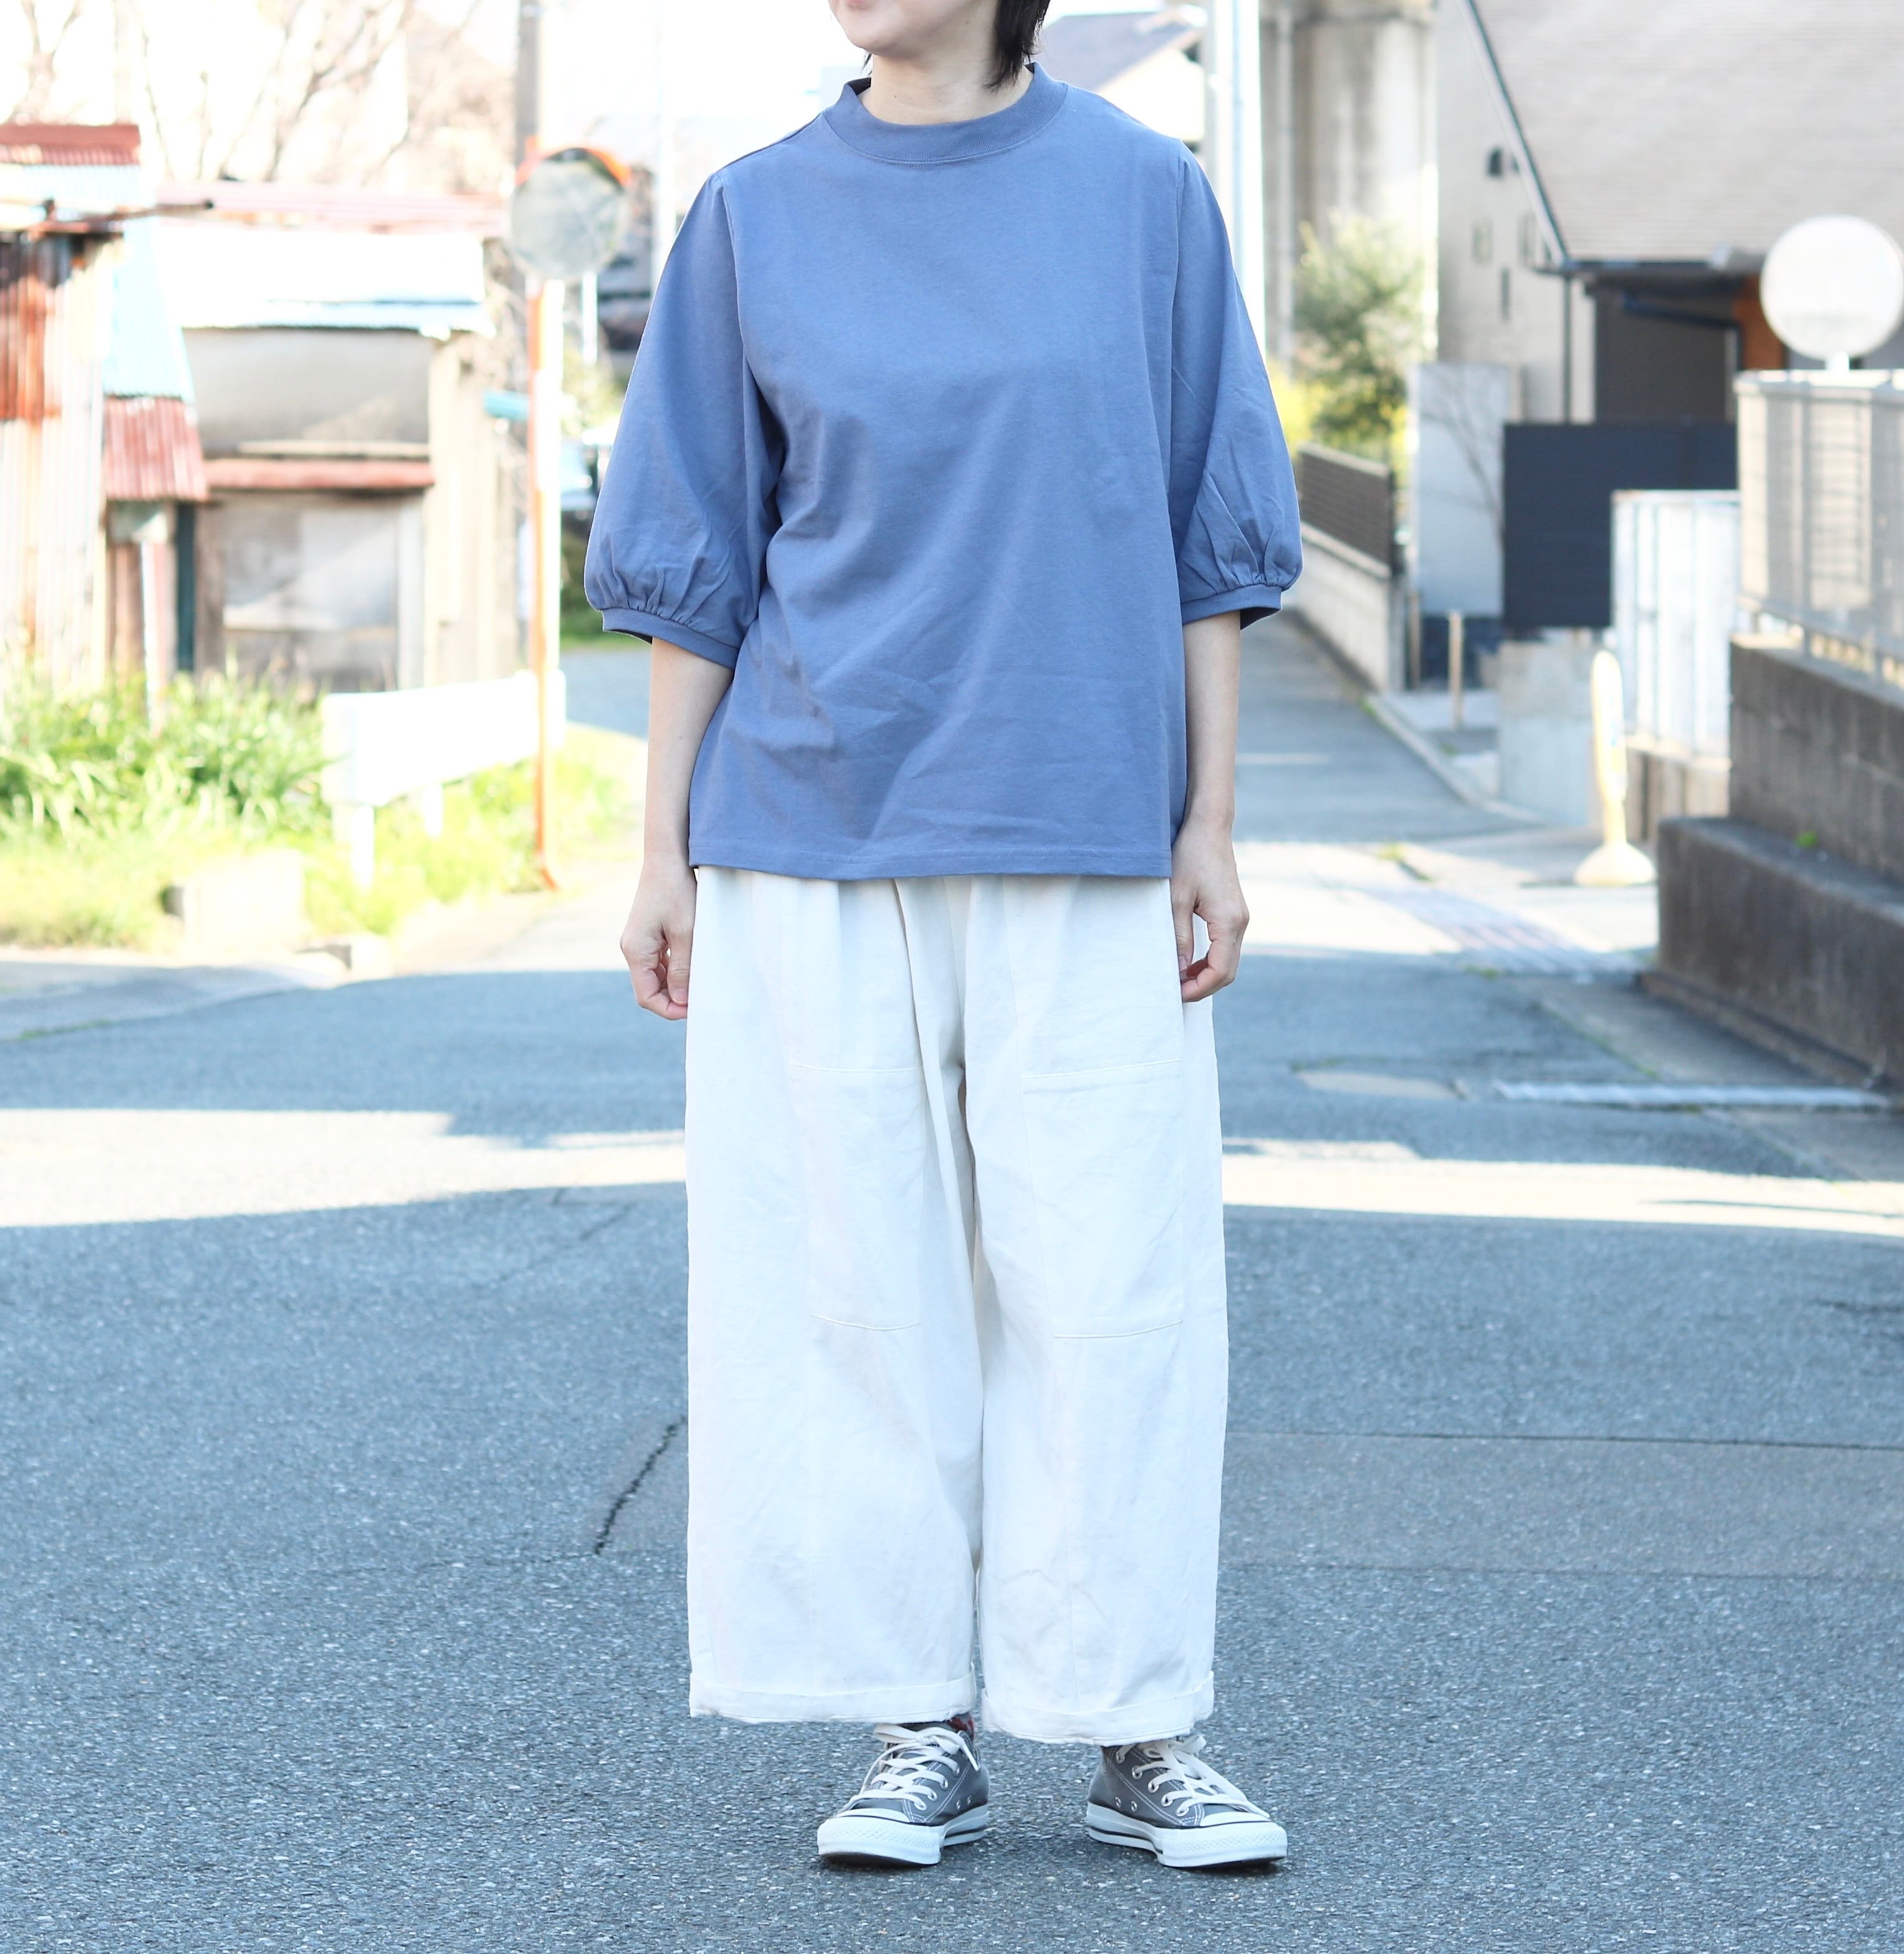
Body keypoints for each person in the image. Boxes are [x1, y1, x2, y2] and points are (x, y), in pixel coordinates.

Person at [587, 0, 1301, 1873]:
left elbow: (1210, 529)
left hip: (1086, 818)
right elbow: (697, 552)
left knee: (1112, 1293)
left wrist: (1210, 821)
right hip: (808, 824)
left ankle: (1137, 1726)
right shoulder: (753, 214)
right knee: (857, 1297)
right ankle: (920, 1721)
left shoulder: (1144, 199)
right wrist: (658, 848)